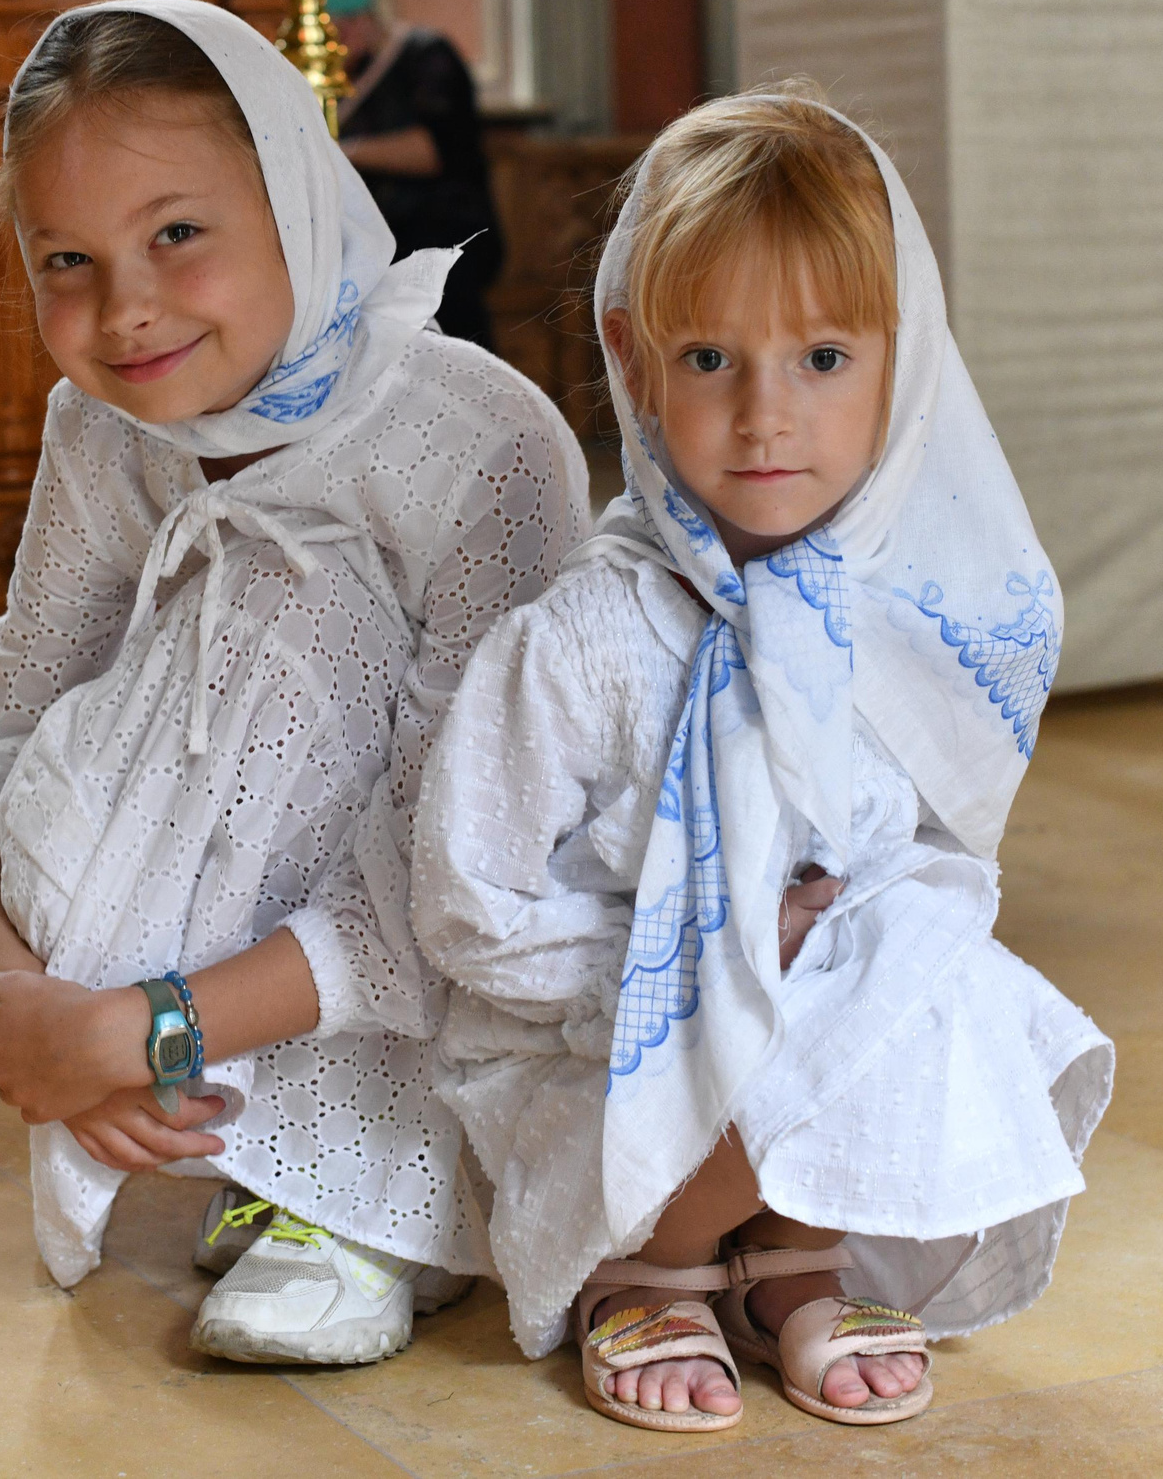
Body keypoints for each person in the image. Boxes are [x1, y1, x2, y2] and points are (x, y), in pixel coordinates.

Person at [0, 0, 587, 1365]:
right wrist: (21, 1002)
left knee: (289, 589)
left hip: (468, 934)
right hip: (130, 1020)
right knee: (104, 716)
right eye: (65, 260)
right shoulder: (107, 425)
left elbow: (478, 857)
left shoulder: (477, 438)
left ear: (296, 199)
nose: (125, 306)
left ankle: (383, 1182)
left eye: (177, 233)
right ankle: (246, 1135)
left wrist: (145, 1022)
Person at [410, 88, 1112, 1432]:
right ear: (633, 356)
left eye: (825, 359)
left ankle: (793, 1244)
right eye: (714, 360)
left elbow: (892, 840)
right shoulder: (584, 637)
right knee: (772, 991)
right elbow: (469, 905)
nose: (766, 416)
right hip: (595, 1049)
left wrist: (838, 927)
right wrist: (697, 950)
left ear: (904, 365)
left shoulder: (886, 616)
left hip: (800, 1012)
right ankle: (652, 1258)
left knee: (923, 961)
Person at [330, 0, 503, 347]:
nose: (341, 37)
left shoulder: (426, 56)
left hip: (438, 244)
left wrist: (346, 152)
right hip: (374, 256)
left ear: (367, 14)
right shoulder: (340, 73)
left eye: (347, 23)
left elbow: (436, 148)